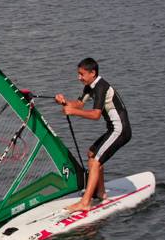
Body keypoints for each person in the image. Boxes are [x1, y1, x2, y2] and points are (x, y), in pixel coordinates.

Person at [54, 57, 132, 212]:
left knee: (95, 162)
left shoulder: (101, 87)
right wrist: (63, 102)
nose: (79, 77)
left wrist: (73, 112)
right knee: (91, 154)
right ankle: (101, 192)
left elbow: (96, 115)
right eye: (78, 74)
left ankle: (85, 202)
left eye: (82, 74)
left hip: (121, 131)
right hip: (113, 130)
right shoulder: (90, 86)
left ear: (93, 73)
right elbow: (79, 104)